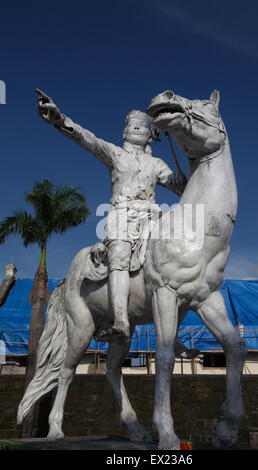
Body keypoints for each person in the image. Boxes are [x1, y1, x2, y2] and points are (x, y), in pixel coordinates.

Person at [37, 90, 186, 340]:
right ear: (124, 132)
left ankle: (173, 332)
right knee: (118, 253)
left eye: (142, 126)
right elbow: (90, 140)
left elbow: (177, 186)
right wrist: (60, 120)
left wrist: (184, 176)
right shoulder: (116, 154)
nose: (136, 128)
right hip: (122, 216)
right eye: (132, 125)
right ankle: (120, 319)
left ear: (151, 134)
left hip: (153, 218)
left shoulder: (157, 164)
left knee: (177, 257)